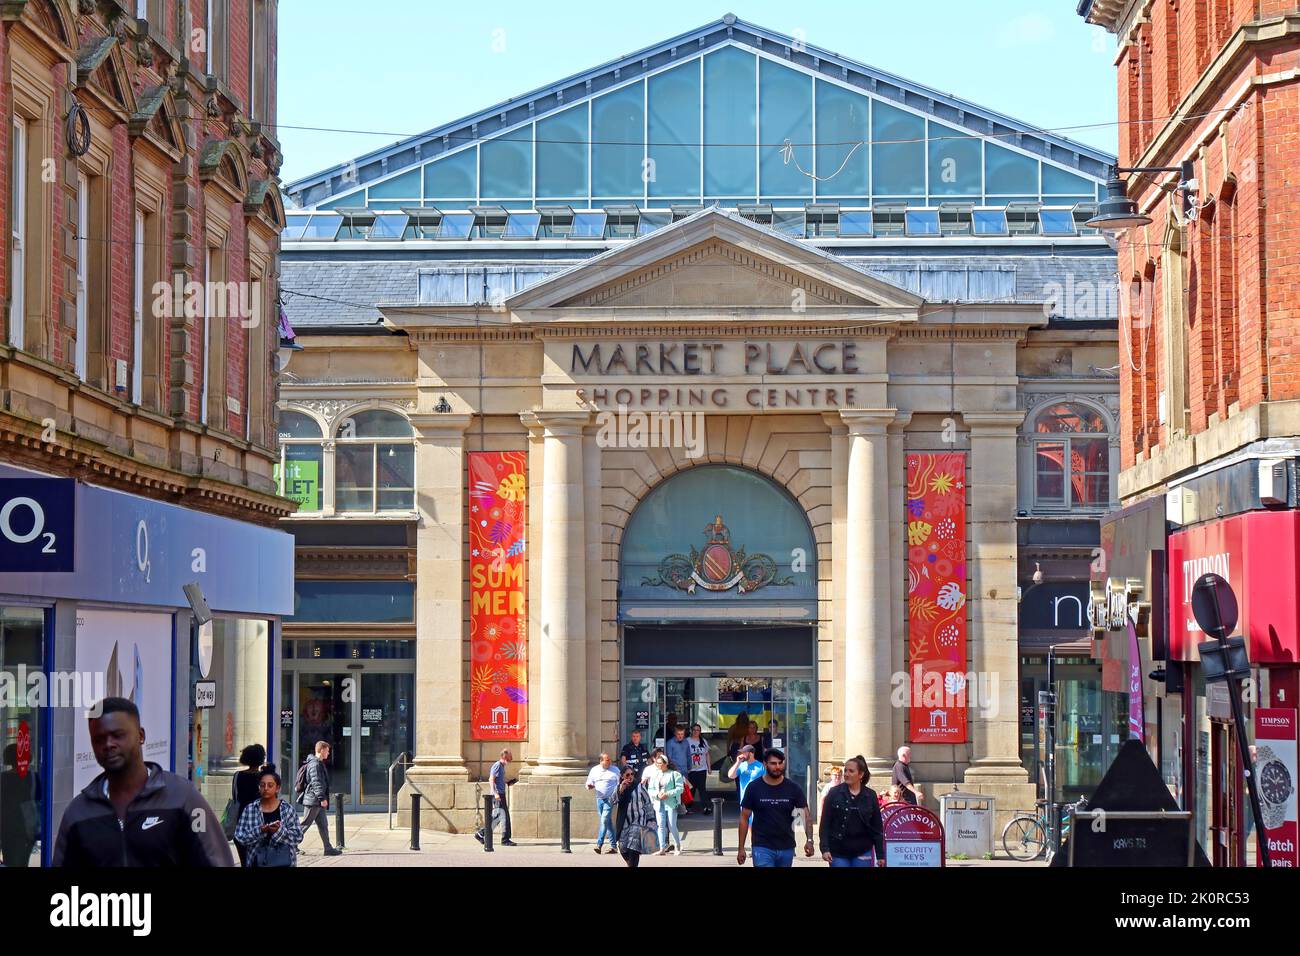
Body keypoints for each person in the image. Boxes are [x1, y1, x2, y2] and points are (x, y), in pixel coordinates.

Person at [52, 697, 233, 866]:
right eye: (99, 739)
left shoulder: (183, 798)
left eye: (117, 735)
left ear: (141, 735)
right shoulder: (78, 813)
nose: (108, 744)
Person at [737, 748, 812, 868]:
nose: (777, 767)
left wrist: (809, 840)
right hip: (762, 846)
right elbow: (744, 817)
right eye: (773, 763)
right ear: (765, 764)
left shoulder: (793, 788)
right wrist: (741, 847)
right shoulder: (754, 788)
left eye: (780, 763)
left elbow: (805, 815)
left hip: (786, 846)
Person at [818, 755, 885, 868]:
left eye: (851, 771)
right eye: (845, 770)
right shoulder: (834, 793)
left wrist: (880, 855)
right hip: (838, 851)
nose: (846, 774)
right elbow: (825, 824)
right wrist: (825, 849)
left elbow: (877, 827)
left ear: (861, 774)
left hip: (863, 850)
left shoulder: (870, 795)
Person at [234, 768, 304, 867]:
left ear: (277, 788)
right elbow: (240, 837)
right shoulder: (250, 809)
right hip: (256, 862)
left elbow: (298, 837)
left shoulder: (288, 809)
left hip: (283, 862)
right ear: (258, 787)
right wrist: (260, 831)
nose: (266, 788)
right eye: (262, 785)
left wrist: (279, 831)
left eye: (270, 785)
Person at [298, 741, 342, 856]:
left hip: (317, 800)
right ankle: (291, 845)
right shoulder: (315, 764)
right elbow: (316, 782)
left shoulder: (318, 763)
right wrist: (322, 798)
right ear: (321, 750)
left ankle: (328, 848)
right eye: (327, 750)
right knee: (305, 824)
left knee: (323, 825)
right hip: (313, 800)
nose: (328, 753)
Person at [0, 743, 41, 867]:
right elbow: (39, 798)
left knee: (10, 861)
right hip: (27, 829)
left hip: (6, 829)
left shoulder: (2, 778)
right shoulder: (33, 777)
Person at [230, 744, 266, 867]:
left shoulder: (238, 776)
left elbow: (235, 797)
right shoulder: (263, 778)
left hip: (241, 822)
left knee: (244, 861)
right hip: (260, 823)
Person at [614, 765, 655, 868]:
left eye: (632, 774)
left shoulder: (639, 786)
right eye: (627, 774)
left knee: (634, 848)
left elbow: (648, 802)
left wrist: (651, 818)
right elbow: (613, 801)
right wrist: (621, 790)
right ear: (622, 776)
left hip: (638, 820)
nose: (630, 776)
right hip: (624, 821)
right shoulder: (619, 787)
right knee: (623, 848)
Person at [475, 748, 516, 847]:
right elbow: (491, 779)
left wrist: (508, 782)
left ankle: (481, 833)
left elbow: (498, 781)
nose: (512, 757)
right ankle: (505, 840)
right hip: (498, 796)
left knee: (497, 817)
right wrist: (495, 793)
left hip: (501, 794)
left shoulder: (501, 766)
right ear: (505, 756)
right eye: (510, 755)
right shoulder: (497, 765)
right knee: (503, 817)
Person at [648, 753, 685, 856]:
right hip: (659, 803)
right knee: (660, 826)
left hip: (671, 803)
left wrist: (667, 794)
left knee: (672, 825)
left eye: (660, 763)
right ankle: (662, 848)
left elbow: (680, 789)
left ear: (666, 764)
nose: (658, 765)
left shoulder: (675, 774)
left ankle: (677, 845)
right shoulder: (655, 775)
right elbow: (650, 789)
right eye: (657, 763)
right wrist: (657, 794)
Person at [585, 752, 620, 854]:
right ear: (601, 761)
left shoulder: (615, 770)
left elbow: (619, 784)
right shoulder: (594, 770)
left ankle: (599, 845)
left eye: (610, 760)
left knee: (604, 820)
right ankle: (614, 847)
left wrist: (617, 795)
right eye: (607, 760)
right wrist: (590, 786)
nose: (609, 762)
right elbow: (588, 782)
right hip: (599, 799)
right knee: (607, 823)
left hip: (610, 799)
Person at [665, 726, 692, 813]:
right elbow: (669, 757)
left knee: (684, 790)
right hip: (675, 770)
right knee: (675, 789)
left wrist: (689, 766)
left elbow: (688, 754)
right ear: (675, 734)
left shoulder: (686, 742)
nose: (680, 736)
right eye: (678, 734)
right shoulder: (670, 743)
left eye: (682, 734)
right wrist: (674, 769)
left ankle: (682, 808)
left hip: (684, 769)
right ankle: (676, 808)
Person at [687, 724, 711, 815]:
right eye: (694, 730)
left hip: (702, 769)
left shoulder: (703, 741)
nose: (696, 732)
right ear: (691, 730)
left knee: (702, 789)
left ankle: (705, 807)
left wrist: (709, 767)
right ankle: (688, 807)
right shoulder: (687, 741)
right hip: (691, 770)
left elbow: (707, 754)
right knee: (691, 789)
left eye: (698, 730)